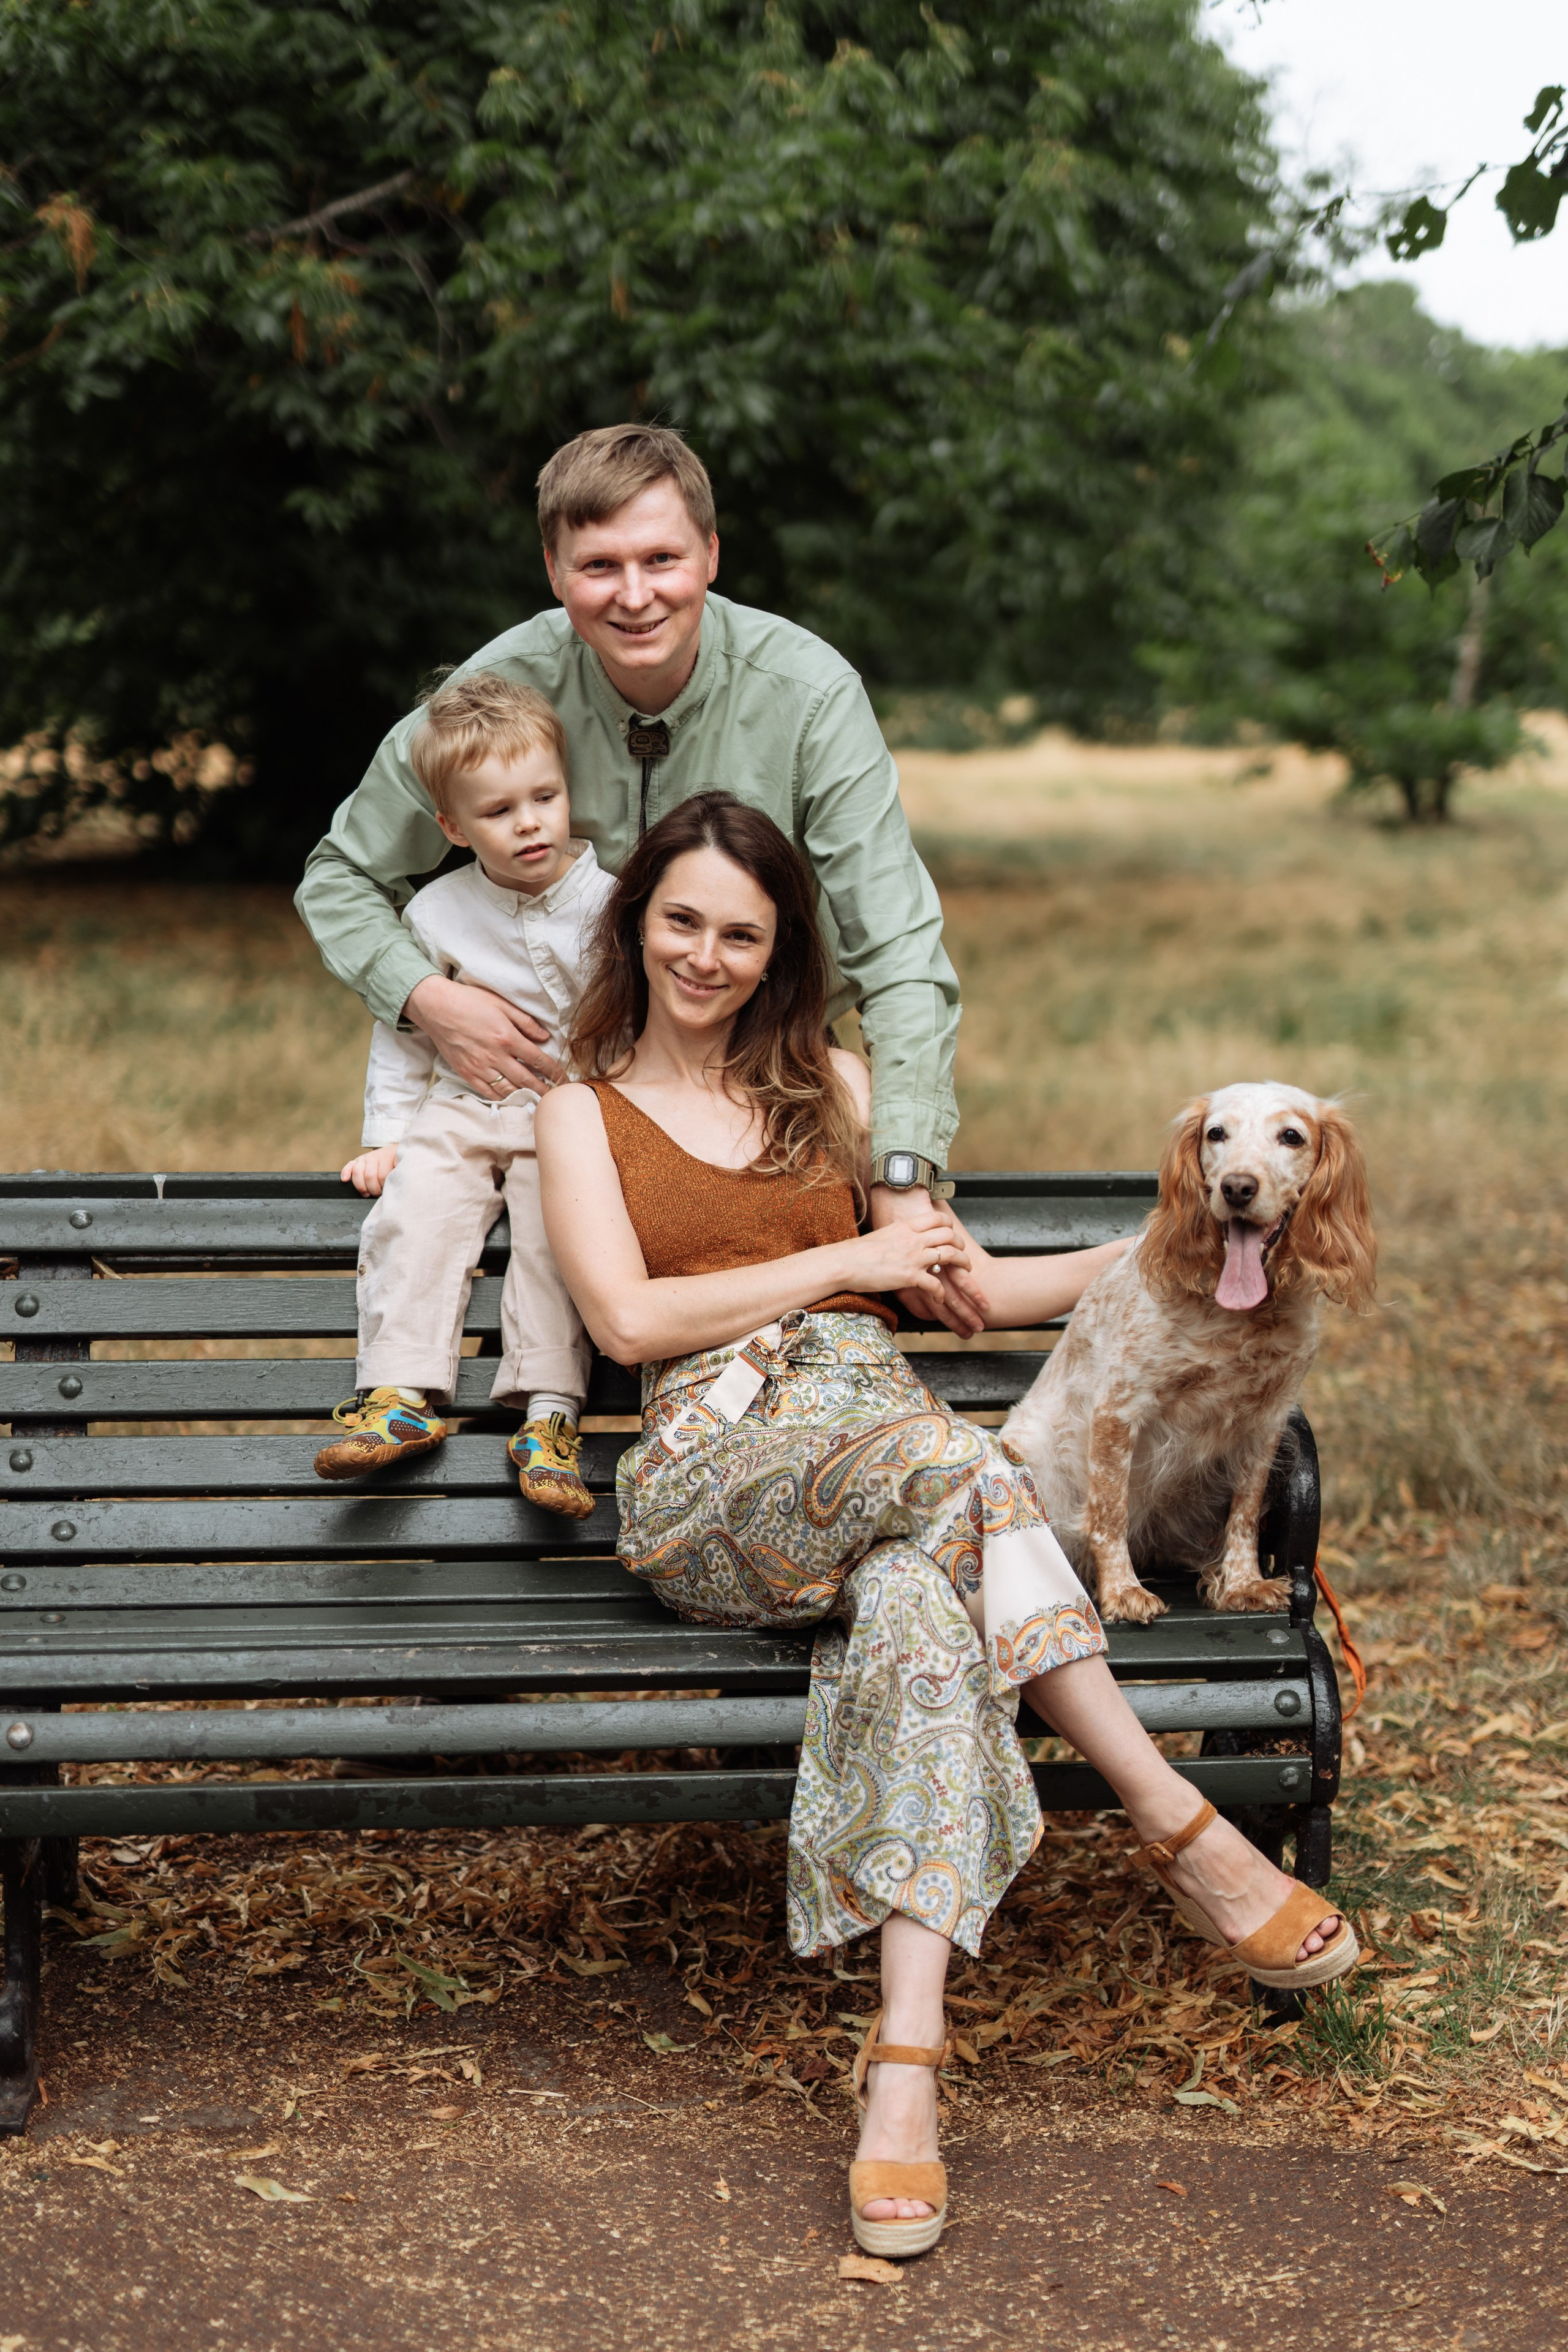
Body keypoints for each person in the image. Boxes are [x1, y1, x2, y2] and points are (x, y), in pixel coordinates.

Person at [534, 793, 1357, 2261]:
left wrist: (1187, 1242)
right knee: (961, 1469)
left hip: (892, 1454)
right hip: (715, 1466)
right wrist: (843, 1259)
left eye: (741, 934)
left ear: (779, 949)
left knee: (923, 1616)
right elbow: (628, 1320)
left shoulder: (838, 1090)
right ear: (635, 924)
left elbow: (965, 1290)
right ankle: (1179, 1825)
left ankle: (901, 2072)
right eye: (681, 922)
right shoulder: (578, 1110)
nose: (707, 956)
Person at [295, 421, 978, 1336]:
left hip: (758, 1096)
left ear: (711, 555)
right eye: (599, 566)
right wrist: (428, 999)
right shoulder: (497, 694)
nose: (635, 595)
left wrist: (899, 1173)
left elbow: (899, 954)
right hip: (557, 1110)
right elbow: (341, 872)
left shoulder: (810, 695)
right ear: (553, 570)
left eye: (662, 558)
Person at [313, 673, 614, 1516]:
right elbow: (408, 1033)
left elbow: (634, 1028)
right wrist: (388, 1135)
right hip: (461, 1106)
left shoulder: (612, 905)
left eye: (544, 798)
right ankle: (400, 1396)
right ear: (451, 826)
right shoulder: (438, 912)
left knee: (560, 1239)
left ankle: (549, 1416)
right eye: (498, 811)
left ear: (566, 791)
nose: (529, 823)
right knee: (415, 1212)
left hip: (569, 1117)